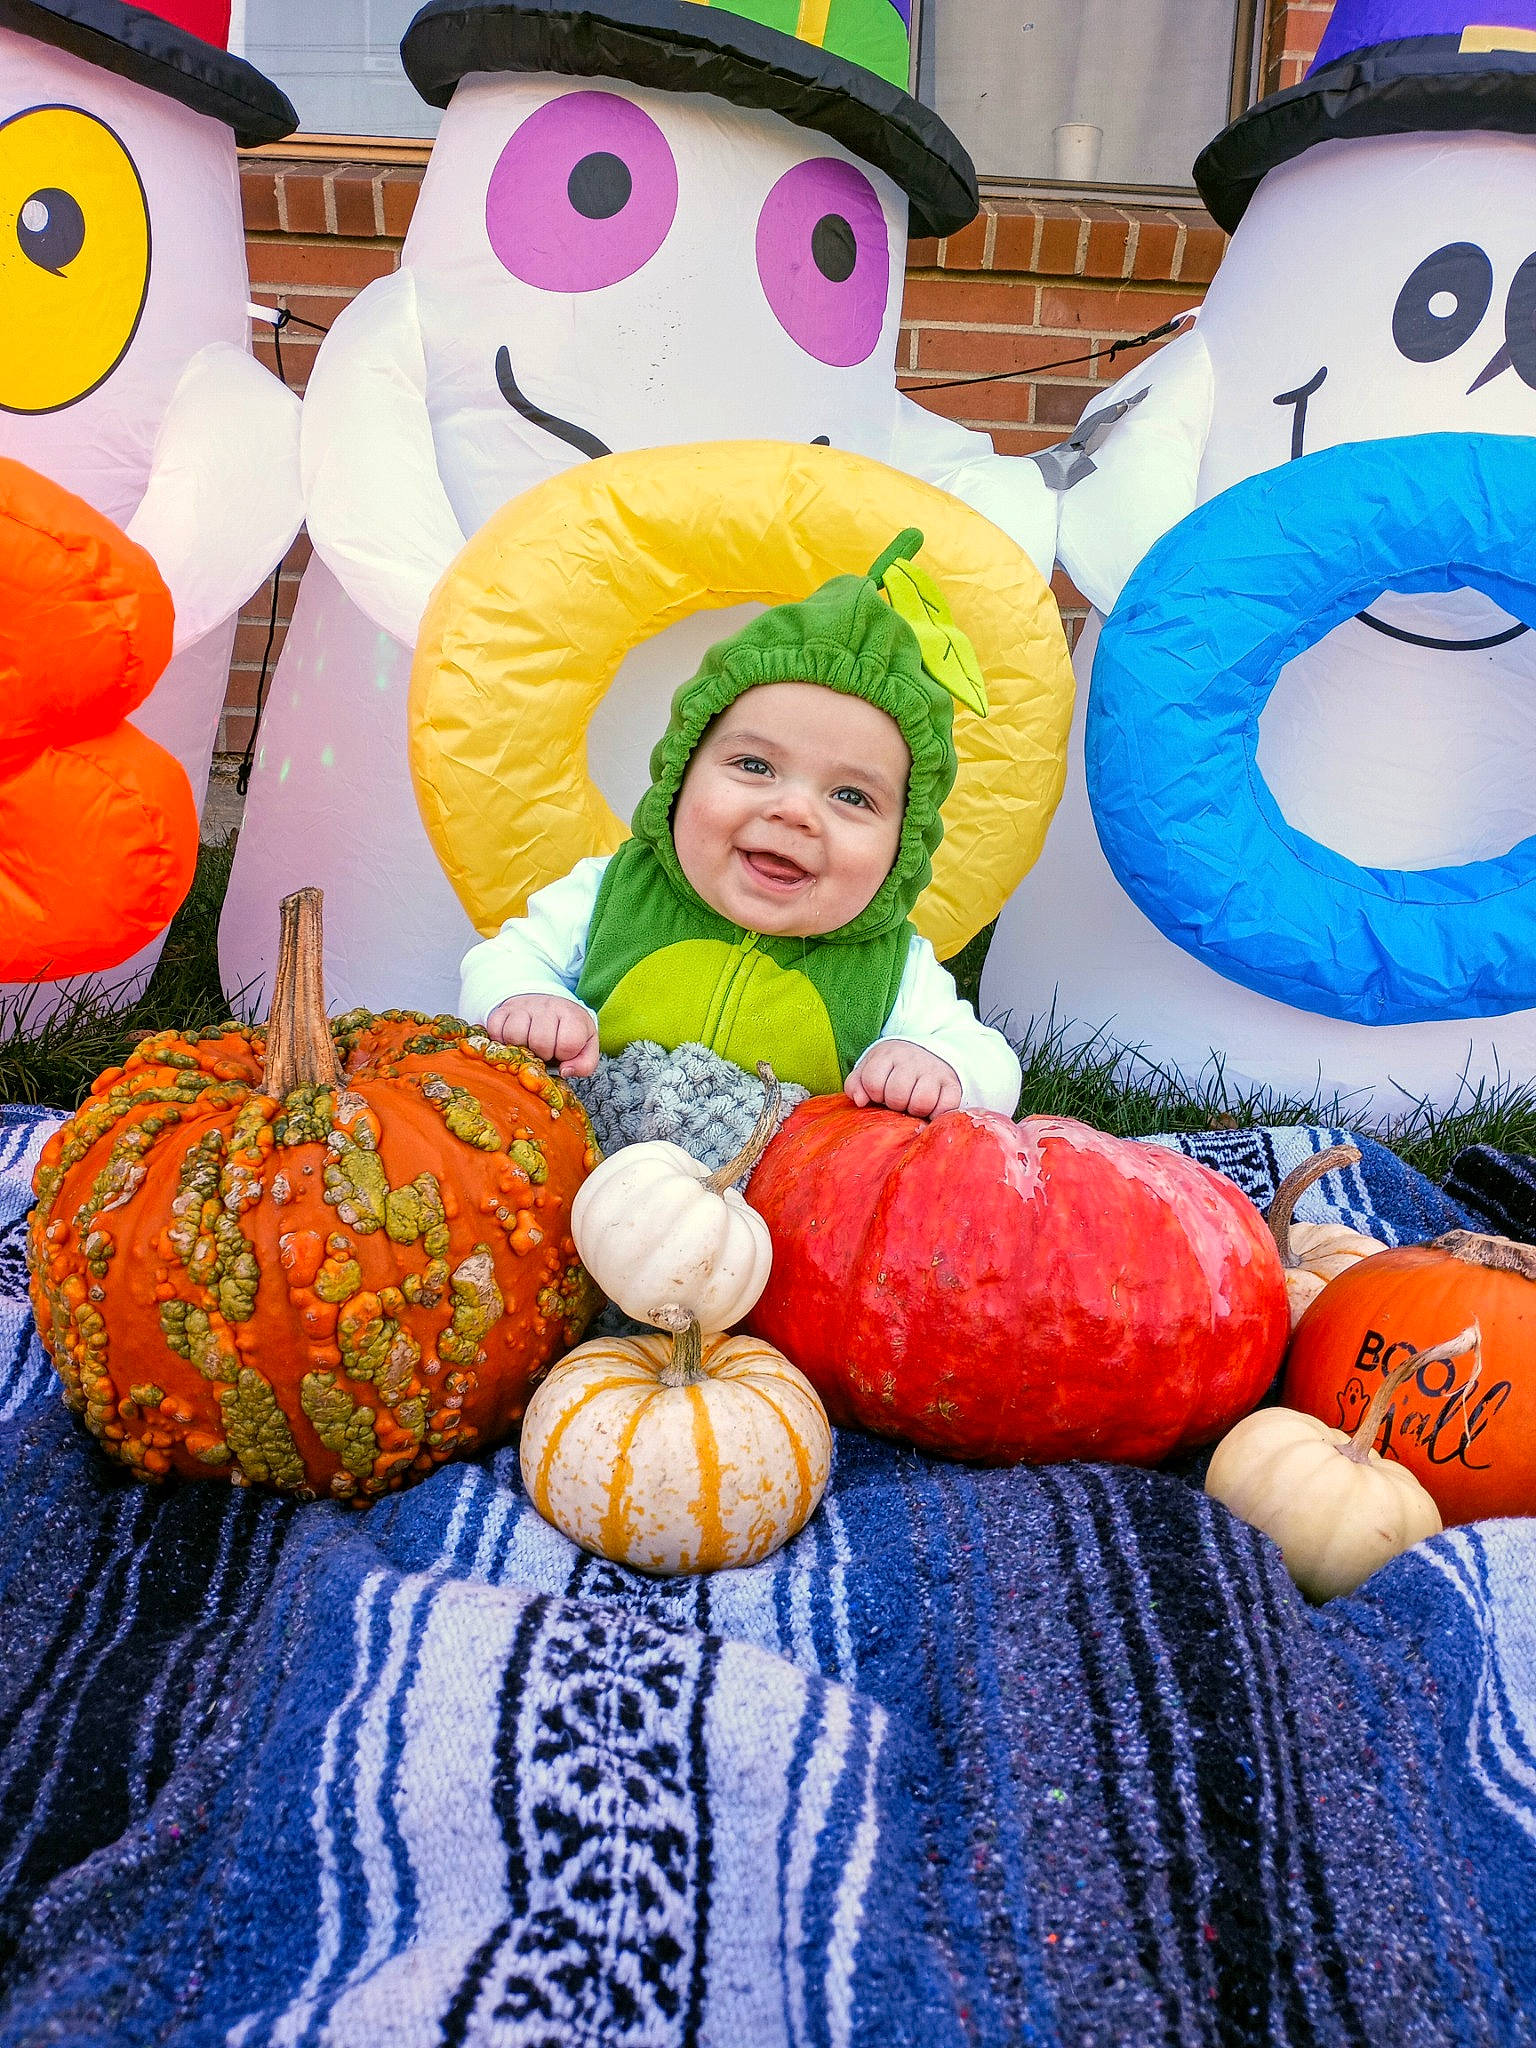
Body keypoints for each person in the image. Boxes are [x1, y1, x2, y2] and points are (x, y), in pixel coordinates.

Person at [459, 531, 1022, 1119]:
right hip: (575, 1167)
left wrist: (936, 1064)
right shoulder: (612, 891)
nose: (795, 812)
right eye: (755, 766)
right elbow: (502, 958)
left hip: (780, 1203)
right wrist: (530, 998)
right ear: (679, 776)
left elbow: (992, 1065)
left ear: (904, 846)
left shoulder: (895, 968)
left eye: (851, 796)